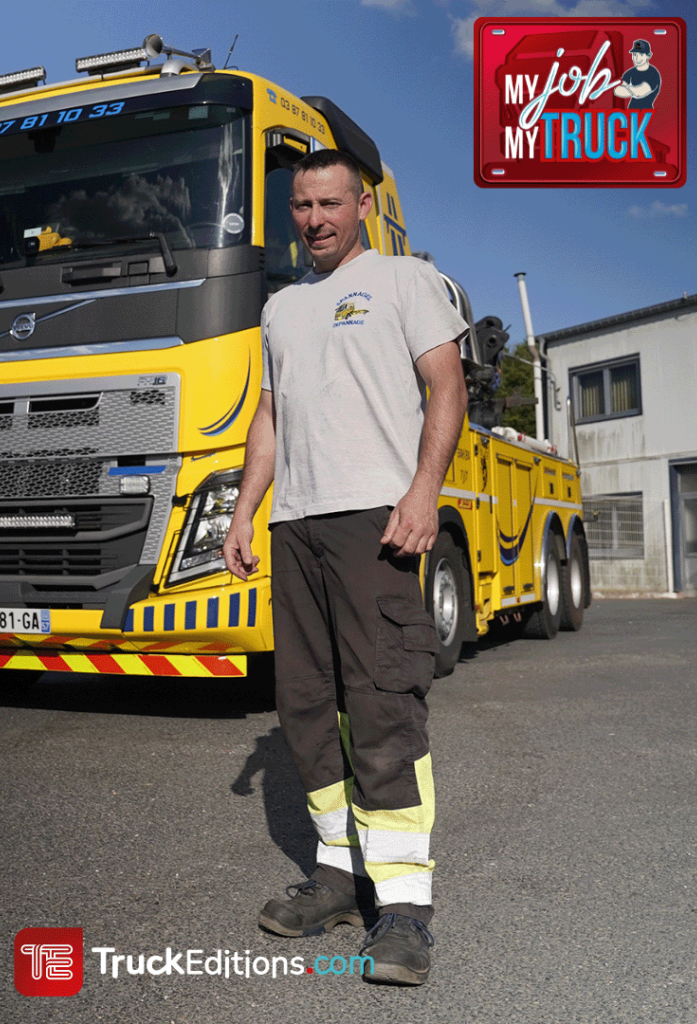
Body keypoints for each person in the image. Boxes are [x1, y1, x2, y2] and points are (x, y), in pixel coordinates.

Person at [222, 149, 468, 986]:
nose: (315, 219)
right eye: (301, 205)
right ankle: (336, 874)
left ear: (361, 204)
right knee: (303, 706)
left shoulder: (407, 281)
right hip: (296, 526)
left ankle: (402, 911)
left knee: (382, 703)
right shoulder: (281, 310)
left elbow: (447, 390)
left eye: (330, 203)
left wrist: (423, 492)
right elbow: (270, 418)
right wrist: (246, 508)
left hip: (376, 520)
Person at [613, 39, 661, 110]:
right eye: (635, 54)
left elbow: (640, 92)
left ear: (648, 56)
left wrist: (627, 87)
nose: (637, 58)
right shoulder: (630, 72)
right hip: (630, 115)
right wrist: (633, 90)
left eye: (641, 54)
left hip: (647, 115)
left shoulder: (653, 74)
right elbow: (617, 90)